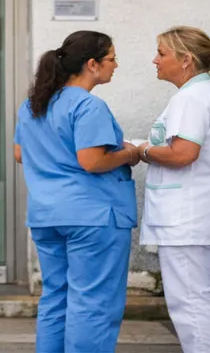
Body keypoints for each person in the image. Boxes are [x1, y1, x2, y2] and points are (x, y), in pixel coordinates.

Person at [13, 30, 139, 353]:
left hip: (46, 216)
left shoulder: (32, 105)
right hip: (93, 217)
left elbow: (19, 153)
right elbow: (92, 161)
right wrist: (129, 153)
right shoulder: (88, 105)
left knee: (56, 296)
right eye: (112, 59)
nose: (116, 65)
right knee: (94, 302)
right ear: (92, 64)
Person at [139, 26, 210, 353]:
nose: (155, 60)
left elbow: (183, 154)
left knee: (192, 301)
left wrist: (142, 150)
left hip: (189, 217)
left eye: (161, 53)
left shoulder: (192, 98)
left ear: (186, 59)